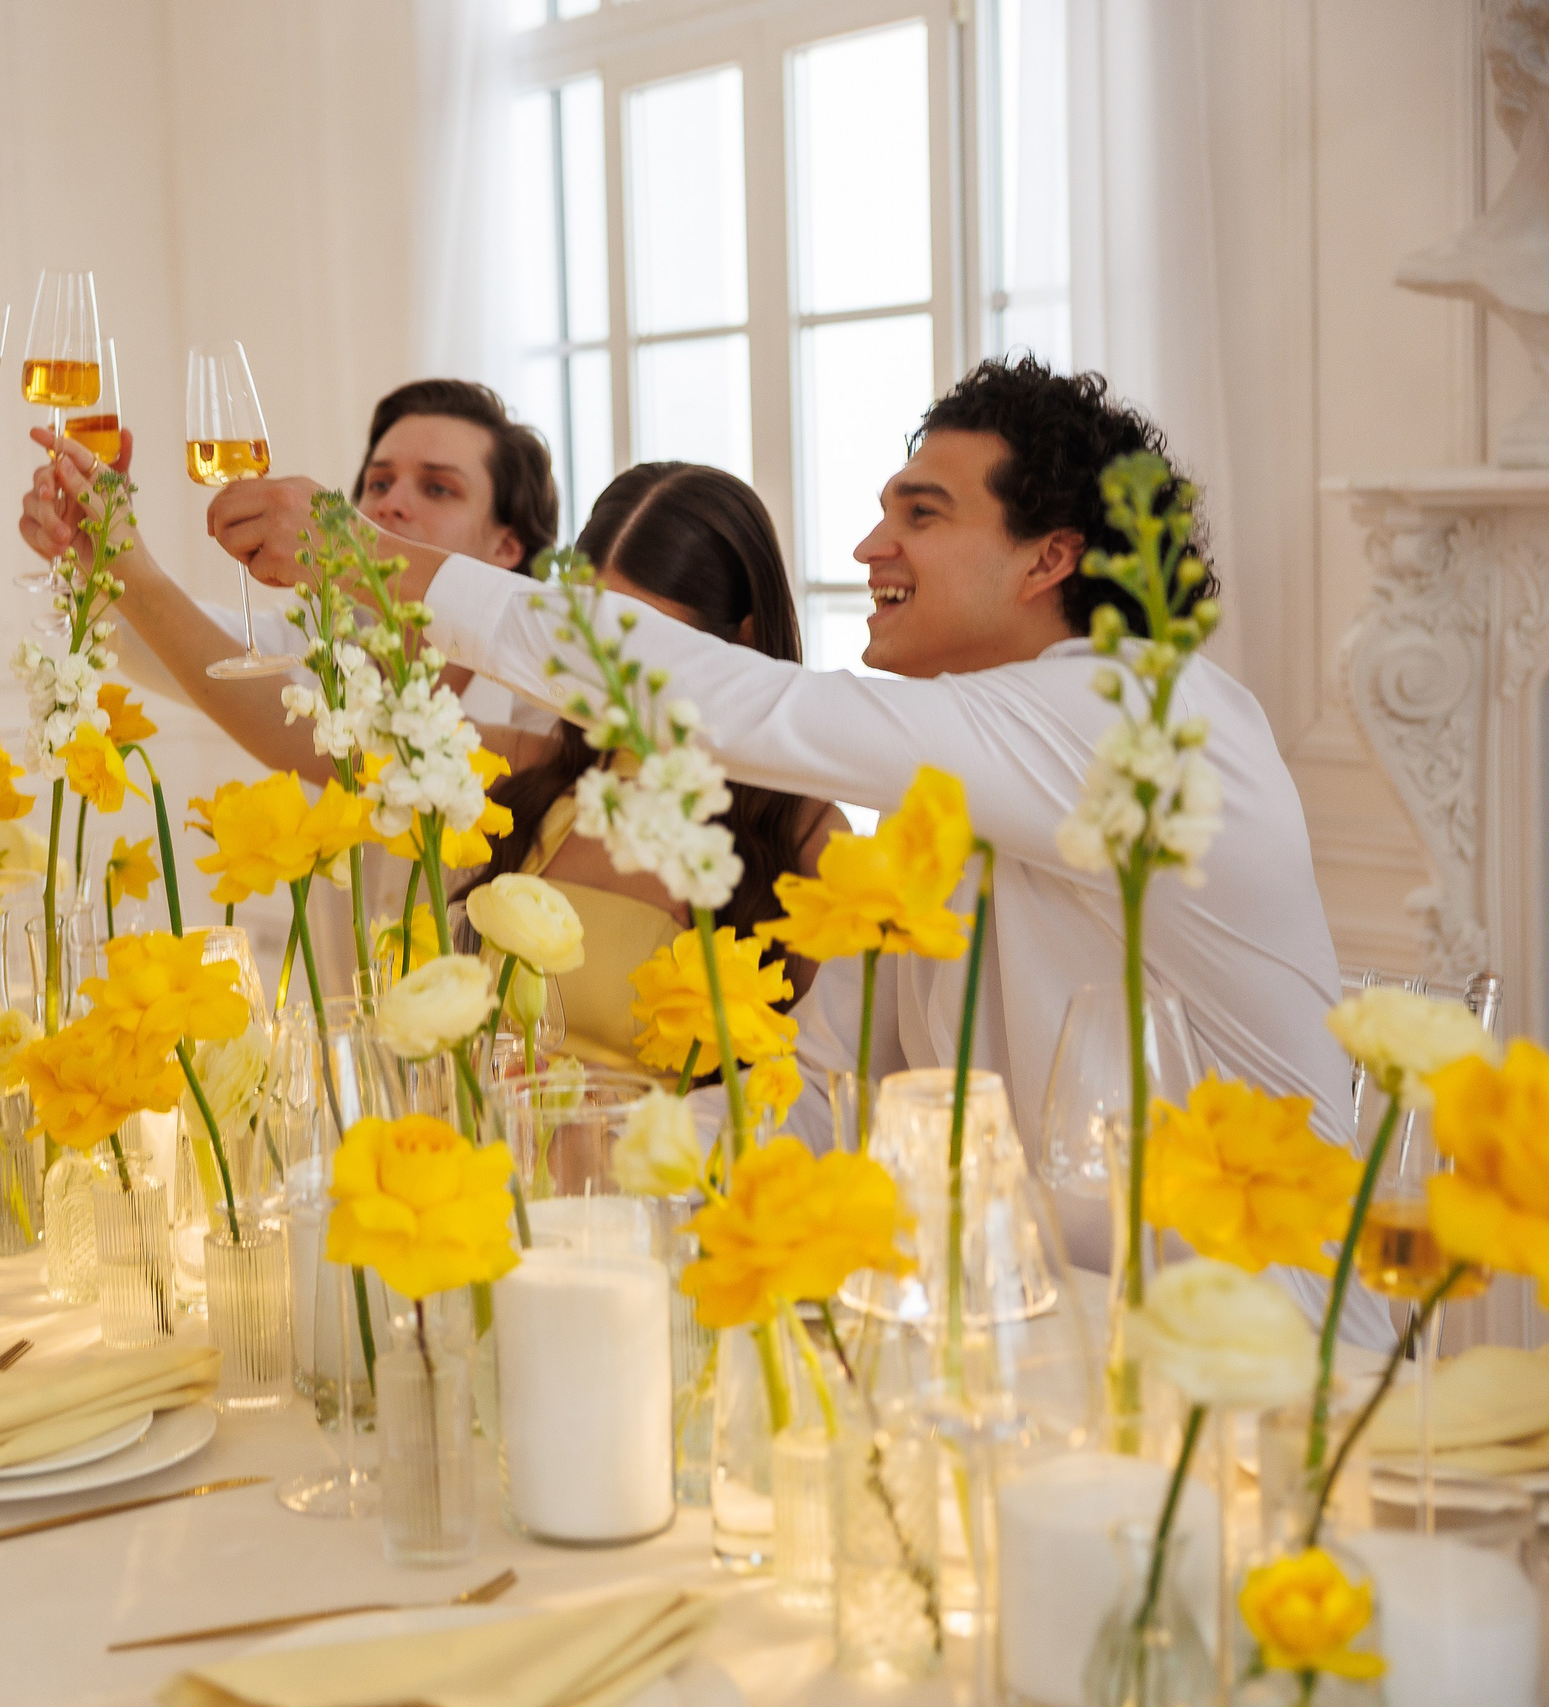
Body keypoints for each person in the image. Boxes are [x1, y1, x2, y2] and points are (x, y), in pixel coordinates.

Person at [207, 356, 1383, 1338]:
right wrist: (585, 1155)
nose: (871, 546)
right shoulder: (947, 794)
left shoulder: (1147, 720)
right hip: (1054, 1336)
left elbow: (747, 704)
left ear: (1049, 558)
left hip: (1268, 1355)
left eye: (921, 515)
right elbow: (819, 1093)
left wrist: (373, 562)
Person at [455, 464, 844, 1065]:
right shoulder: (540, 774)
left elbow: (822, 1083)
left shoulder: (806, 836)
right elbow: (352, 740)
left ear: (742, 641)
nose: (611, 676)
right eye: (593, 638)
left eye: (646, 644)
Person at [17, 377, 559, 776]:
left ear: (507, 546)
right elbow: (165, 647)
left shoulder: (548, 688)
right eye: (378, 483)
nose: (391, 503)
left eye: (438, 488)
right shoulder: (321, 639)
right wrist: (96, 556)